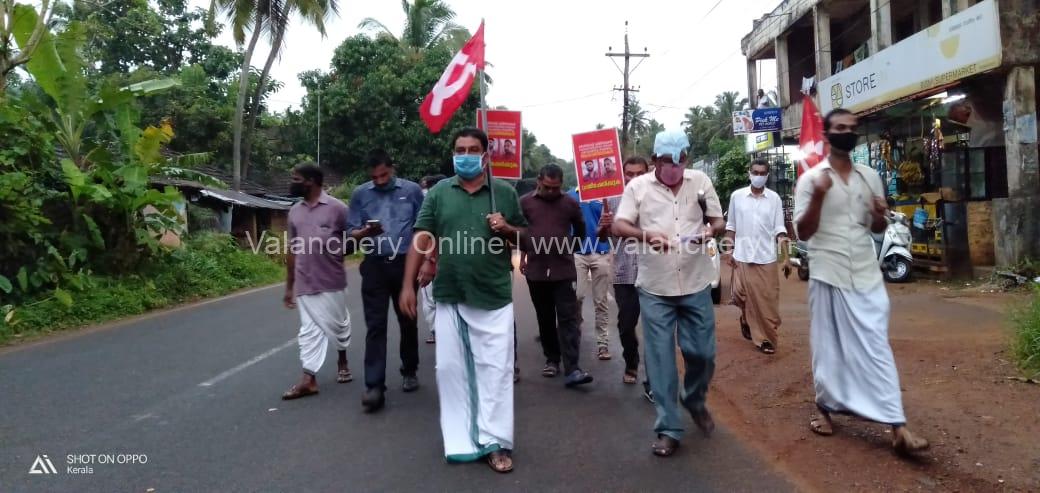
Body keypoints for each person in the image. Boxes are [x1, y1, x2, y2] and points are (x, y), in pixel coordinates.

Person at [794, 109, 929, 454]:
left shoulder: (869, 177)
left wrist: (880, 215)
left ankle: (897, 426)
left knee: (876, 345)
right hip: (828, 271)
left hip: (867, 272)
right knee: (829, 347)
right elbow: (804, 232)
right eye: (840, 128)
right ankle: (826, 410)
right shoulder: (811, 180)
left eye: (852, 129)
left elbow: (877, 230)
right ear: (826, 135)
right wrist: (821, 196)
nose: (847, 133)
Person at [399, 127, 527, 473]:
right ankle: (461, 441)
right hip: (451, 294)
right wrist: (408, 285)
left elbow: (527, 238)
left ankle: (495, 441)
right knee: (449, 370)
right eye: (459, 149)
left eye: (472, 149)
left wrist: (507, 229)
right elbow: (422, 236)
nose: (465, 155)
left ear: (485, 156)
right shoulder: (439, 193)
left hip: (494, 294)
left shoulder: (503, 193)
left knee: (495, 371)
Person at [612, 130, 725, 457]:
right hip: (655, 287)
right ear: (655, 161)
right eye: (666, 161)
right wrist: (646, 235)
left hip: (695, 281)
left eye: (680, 160)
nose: (674, 167)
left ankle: (694, 398)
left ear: (686, 158)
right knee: (660, 358)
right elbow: (620, 226)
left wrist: (708, 230)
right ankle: (668, 427)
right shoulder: (637, 188)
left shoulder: (700, 181)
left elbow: (717, 220)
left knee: (703, 354)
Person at [346, 150, 424, 412]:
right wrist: (365, 232)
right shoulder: (360, 194)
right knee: (375, 326)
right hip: (375, 265)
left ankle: (409, 369)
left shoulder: (412, 191)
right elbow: (351, 233)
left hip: (405, 263)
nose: (379, 180)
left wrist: (425, 264)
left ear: (393, 169)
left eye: (384, 175)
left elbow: (423, 230)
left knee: (408, 320)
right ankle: (374, 386)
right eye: (374, 176)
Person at [281, 162, 353, 400]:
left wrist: (337, 249)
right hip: (304, 280)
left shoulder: (338, 209)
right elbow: (292, 249)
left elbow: (352, 240)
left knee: (339, 325)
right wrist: (289, 286)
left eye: (296, 179)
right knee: (309, 330)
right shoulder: (294, 211)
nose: (292, 183)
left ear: (311, 181)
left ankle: (342, 360)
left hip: (332, 279)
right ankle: (308, 378)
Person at [520, 164, 593, 387]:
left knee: (569, 319)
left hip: (564, 271)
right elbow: (519, 230)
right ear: (538, 182)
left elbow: (580, 230)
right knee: (544, 318)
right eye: (547, 187)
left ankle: (573, 369)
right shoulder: (525, 203)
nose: (552, 192)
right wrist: (525, 252)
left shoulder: (570, 203)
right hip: (536, 271)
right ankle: (552, 359)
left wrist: (569, 247)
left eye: (556, 188)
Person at [723, 158, 788, 355]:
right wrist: (728, 251)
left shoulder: (775, 198)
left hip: (766, 257)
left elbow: (779, 229)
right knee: (740, 296)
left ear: (767, 176)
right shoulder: (737, 196)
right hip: (742, 255)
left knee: (767, 302)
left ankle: (765, 336)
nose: (758, 176)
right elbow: (731, 226)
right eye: (755, 172)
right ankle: (750, 324)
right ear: (749, 174)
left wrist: (785, 257)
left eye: (762, 173)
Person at [606, 156, 654, 399]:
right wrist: (604, 226)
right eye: (629, 174)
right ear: (623, 174)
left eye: (639, 174)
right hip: (624, 273)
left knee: (655, 329)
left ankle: (652, 381)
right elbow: (603, 236)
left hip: (654, 273)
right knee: (626, 326)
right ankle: (631, 362)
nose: (633, 178)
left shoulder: (659, 200)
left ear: (648, 173)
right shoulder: (613, 200)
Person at [568, 188, 614, 361]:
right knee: (577, 296)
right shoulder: (570, 196)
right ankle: (575, 331)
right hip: (577, 252)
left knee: (601, 301)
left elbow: (610, 228)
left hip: (601, 252)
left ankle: (603, 344)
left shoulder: (604, 196)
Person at [419, 174, 448, 344]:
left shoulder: (431, 203)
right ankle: (441, 332)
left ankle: (438, 332)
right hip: (439, 258)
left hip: (436, 259)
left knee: (431, 299)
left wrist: (428, 259)